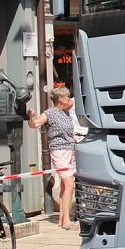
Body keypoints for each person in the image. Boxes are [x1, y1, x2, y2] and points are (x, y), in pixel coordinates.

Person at [27, 87, 78, 230]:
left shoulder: (66, 113)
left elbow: (69, 132)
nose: (70, 99)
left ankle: (63, 218)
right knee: (69, 185)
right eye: (67, 97)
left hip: (71, 149)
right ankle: (67, 220)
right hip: (59, 150)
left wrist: (76, 138)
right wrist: (30, 117)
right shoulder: (49, 113)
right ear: (60, 99)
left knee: (65, 186)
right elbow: (34, 124)